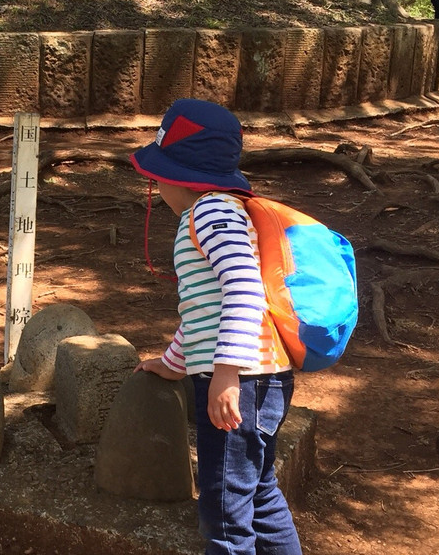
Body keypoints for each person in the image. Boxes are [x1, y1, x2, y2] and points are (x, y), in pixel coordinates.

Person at [129, 98, 302, 555]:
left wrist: (225, 373)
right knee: (258, 493)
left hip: (242, 382)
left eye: (158, 175)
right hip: (263, 377)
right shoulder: (221, 210)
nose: (156, 185)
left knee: (224, 513)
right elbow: (203, 312)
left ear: (178, 175)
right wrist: (173, 364)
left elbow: (244, 288)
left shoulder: (209, 213)